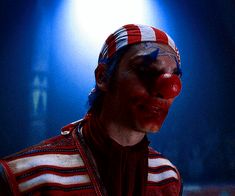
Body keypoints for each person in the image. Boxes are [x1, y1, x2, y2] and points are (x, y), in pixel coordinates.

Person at [0, 24, 183, 195]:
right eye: (144, 70)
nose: (166, 90)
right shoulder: (24, 177)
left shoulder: (167, 178)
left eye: (174, 76)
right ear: (103, 77)